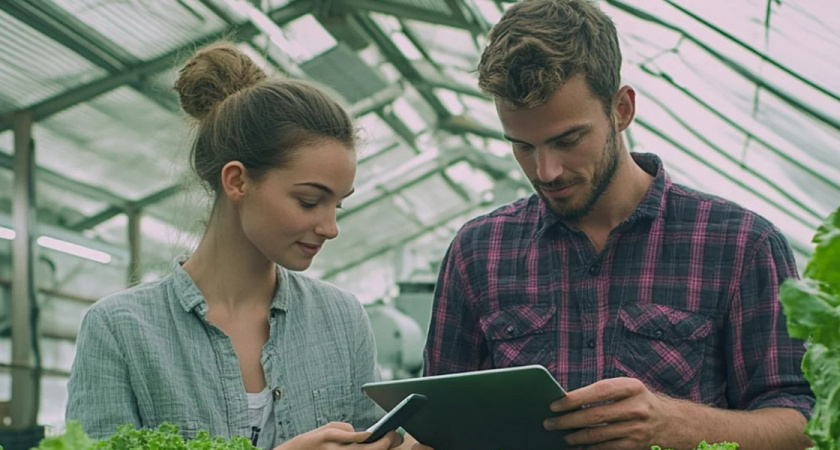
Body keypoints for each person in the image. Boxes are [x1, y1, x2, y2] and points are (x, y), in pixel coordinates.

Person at [422, 1, 815, 449]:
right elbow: (434, 421)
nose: (546, 170)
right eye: (523, 146)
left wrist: (677, 425)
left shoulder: (742, 244)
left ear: (622, 109)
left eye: (568, 140)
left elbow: (801, 423)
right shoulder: (478, 251)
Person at [66, 42, 402, 450]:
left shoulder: (341, 319)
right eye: (309, 201)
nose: (330, 228)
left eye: (338, 205)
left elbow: (378, 439)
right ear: (237, 181)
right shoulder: (120, 330)